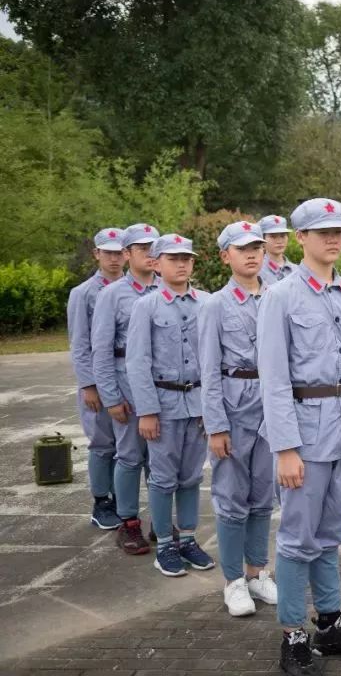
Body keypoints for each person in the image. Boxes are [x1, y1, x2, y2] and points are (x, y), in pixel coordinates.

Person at [257, 197, 341, 672]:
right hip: (306, 436)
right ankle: (293, 633)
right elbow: (273, 379)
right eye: (323, 231)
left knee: (331, 534)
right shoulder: (281, 296)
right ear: (301, 238)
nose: (333, 238)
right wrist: (285, 448)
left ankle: (329, 625)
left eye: (339, 231)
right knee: (297, 537)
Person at [199, 221, 278, 614]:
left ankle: (257, 572)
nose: (252, 254)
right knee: (231, 499)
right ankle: (233, 582)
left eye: (257, 247)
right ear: (224, 256)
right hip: (233, 408)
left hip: (272, 408)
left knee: (264, 496)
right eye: (242, 248)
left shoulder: (277, 297)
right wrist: (215, 425)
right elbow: (209, 371)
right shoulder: (215, 304)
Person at [126, 234, 215, 577]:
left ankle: (189, 539)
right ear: (157, 263)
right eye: (173, 258)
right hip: (162, 405)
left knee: (191, 477)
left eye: (187, 258)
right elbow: (137, 362)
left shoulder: (206, 303)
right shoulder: (146, 306)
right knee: (163, 479)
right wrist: (146, 411)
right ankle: (164, 543)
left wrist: (212, 407)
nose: (181, 264)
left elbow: (213, 361)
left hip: (198, 403)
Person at [91, 223, 161, 555]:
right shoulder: (112, 294)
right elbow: (101, 350)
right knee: (130, 456)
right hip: (127, 387)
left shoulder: (168, 287)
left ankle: (162, 521)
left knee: (162, 459)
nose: (150, 254)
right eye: (142, 248)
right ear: (127, 254)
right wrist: (110, 396)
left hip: (164, 387)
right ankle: (129, 522)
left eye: (154, 247)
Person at [68, 227, 127, 530]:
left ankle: (122, 498)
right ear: (97, 254)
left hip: (127, 376)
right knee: (103, 444)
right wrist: (88, 385)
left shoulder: (134, 289)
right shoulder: (84, 294)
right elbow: (80, 344)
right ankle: (101, 501)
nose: (115, 259)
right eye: (109, 253)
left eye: (119, 252)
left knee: (126, 445)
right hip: (99, 377)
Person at [258, 214, 295, 284]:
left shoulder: (296, 270)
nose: (279, 241)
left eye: (283, 236)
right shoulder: (257, 271)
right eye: (273, 236)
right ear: (262, 239)